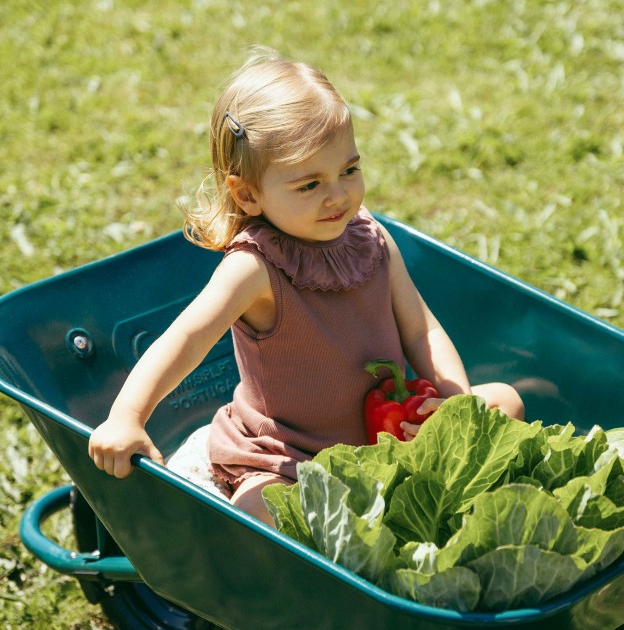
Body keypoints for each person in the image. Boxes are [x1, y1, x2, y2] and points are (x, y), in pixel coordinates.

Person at [88, 48, 524, 525]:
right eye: (309, 184)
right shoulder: (255, 269)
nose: (338, 195)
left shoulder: (371, 239)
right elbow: (185, 339)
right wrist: (126, 416)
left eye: (349, 170)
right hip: (290, 456)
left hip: (385, 436)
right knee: (264, 508)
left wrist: (453, 399)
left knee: (503, 400)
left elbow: (422, 332)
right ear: (248, 194)